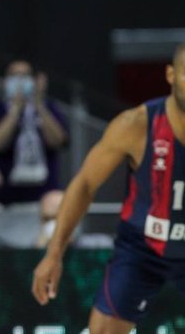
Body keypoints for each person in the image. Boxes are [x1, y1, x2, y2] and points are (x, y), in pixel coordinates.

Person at [32, 44, 185, 332]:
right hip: (143, 248)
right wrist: (54, 254)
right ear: (170, 75)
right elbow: (85, 184)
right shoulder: (137, 124)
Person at [0, 59, 68, 204]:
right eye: (14, 76)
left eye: (24, 76)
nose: (19, 81)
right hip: (3, 199)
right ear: (5, 81)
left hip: (43, 196)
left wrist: (39, 105)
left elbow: (58, 141)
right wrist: (15, 110)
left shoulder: (49, 108)